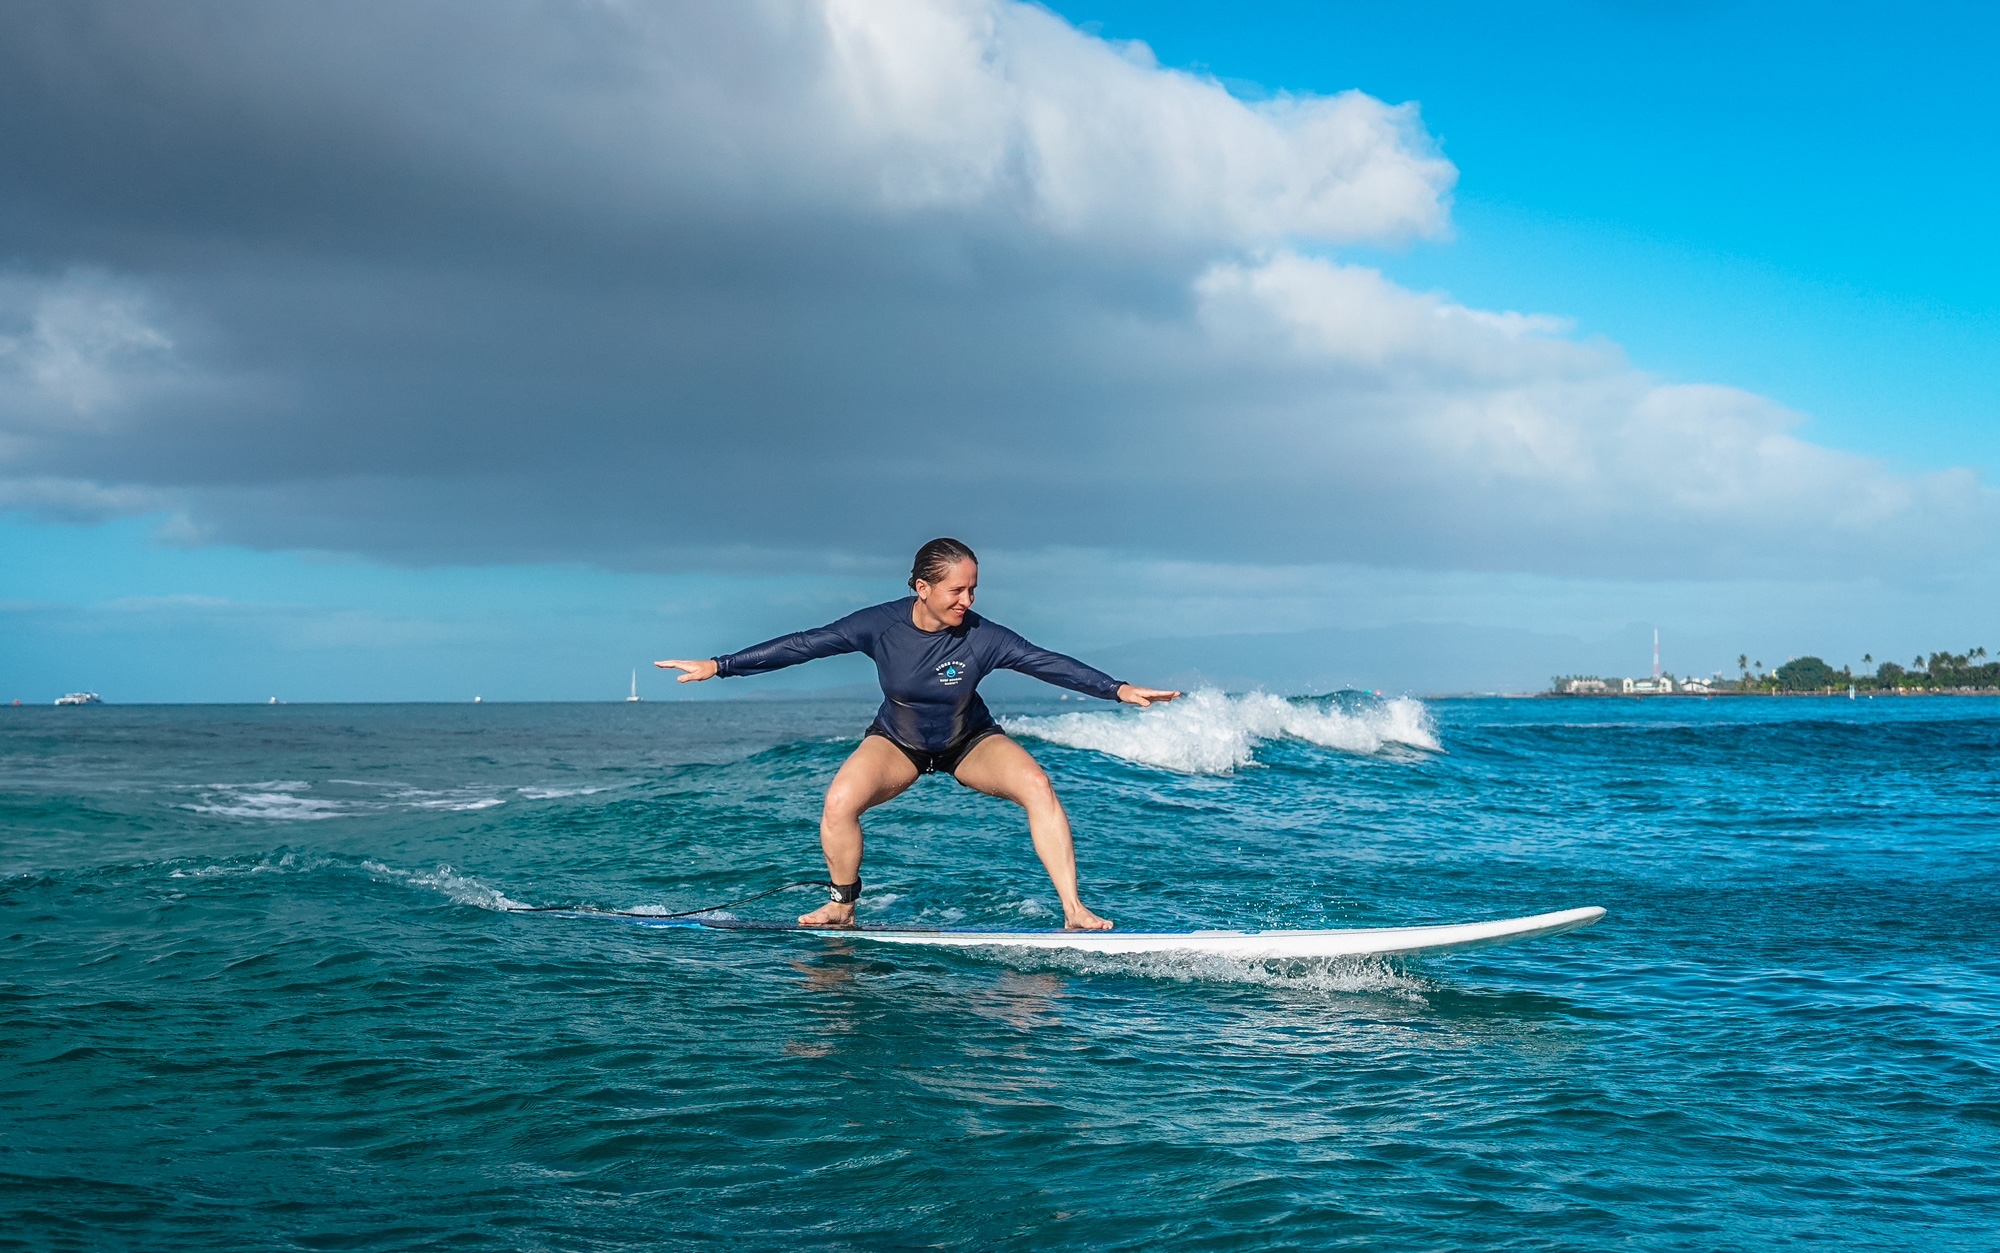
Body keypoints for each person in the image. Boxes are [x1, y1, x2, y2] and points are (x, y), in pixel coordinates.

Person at [655, 537, 1180, 930]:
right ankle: (842, 906)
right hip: (898, 742)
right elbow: (804, 644)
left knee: (1037, 787)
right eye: (957, 589)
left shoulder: (983, 637)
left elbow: (1046, 662)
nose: (967, 600)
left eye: (973, 588)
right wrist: (720, 665)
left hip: (967, 740)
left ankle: (1073, 911)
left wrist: (1117, 689)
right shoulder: (880, 625)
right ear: (922, 588)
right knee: (839, 802)